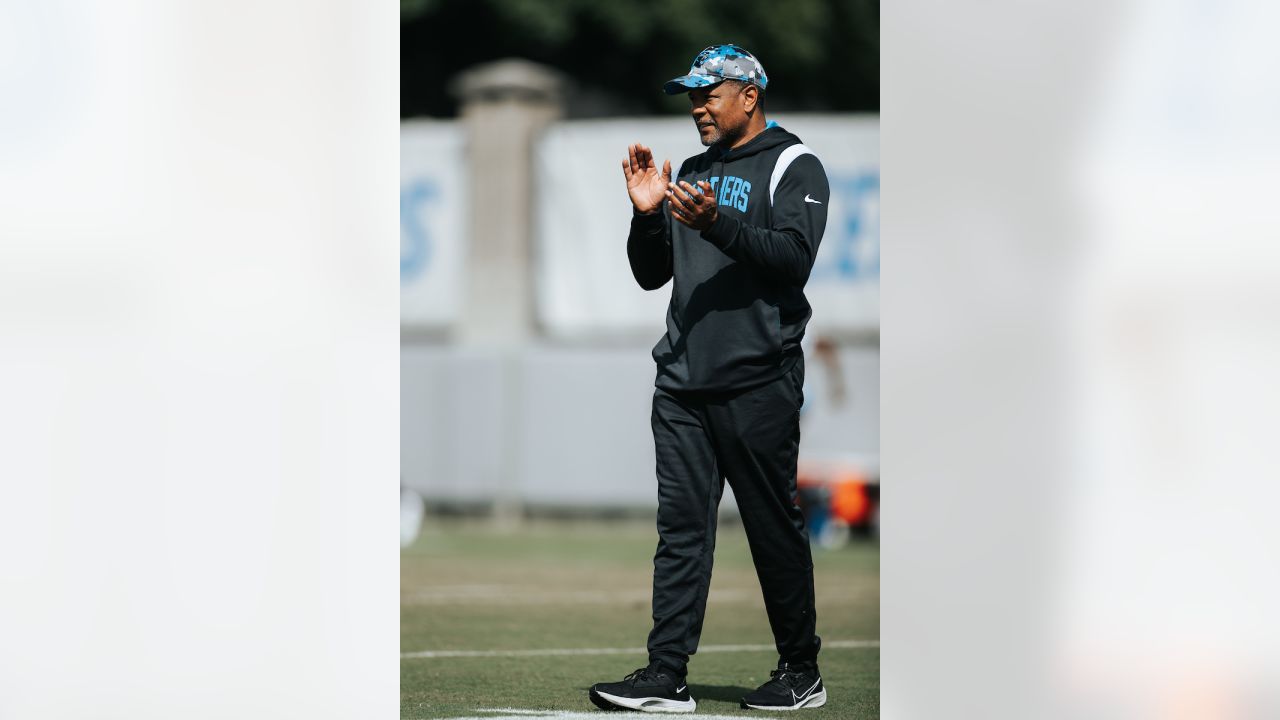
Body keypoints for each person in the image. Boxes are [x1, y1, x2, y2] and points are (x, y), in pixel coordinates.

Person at [588, 44, 830, 713]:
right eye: (691, 95)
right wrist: (645, 214)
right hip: (682, 385)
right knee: (682, 532)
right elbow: (651, 273)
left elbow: (793, 257)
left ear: (749, 95)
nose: (697, 105)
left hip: (759, 381)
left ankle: (800, 671)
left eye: (709, 93)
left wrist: (717, 223)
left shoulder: (793, 163)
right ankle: (667, 675)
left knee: (771, 528)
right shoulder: (692, 170)